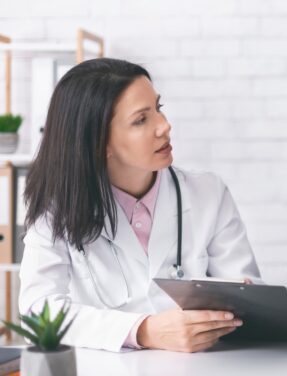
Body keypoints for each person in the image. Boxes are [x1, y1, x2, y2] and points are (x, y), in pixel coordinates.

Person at [19, 58, 261, 353]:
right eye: (140, 120)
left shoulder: (207, 193)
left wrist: (238, 303)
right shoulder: (57, 208)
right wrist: (143, 330)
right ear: (99, 142)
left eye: (158, 109)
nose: (164, 126)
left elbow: (249, 298)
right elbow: (38, 313)